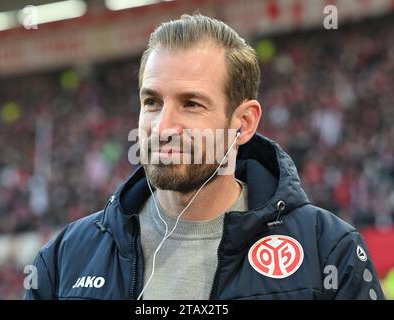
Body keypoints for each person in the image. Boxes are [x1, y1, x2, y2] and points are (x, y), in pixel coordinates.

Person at [26, 14, 385, 300]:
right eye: (151, 102)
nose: (163, 126)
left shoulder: (329, 251)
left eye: (191, 104)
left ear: (243, 123)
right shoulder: (63, 260)